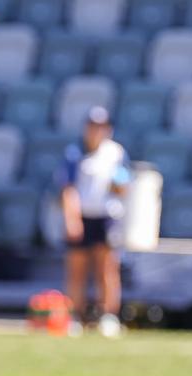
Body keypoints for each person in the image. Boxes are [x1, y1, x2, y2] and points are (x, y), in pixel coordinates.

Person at [58, 107, 130, 339]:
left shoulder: (116, 153)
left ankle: (108, 315)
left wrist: (120, 185)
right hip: (83, 215)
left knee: (107, 268)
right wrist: (72, 219)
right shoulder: (74, 152)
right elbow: (68, 189)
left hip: (106, 216)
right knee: (77, 269)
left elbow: (123, 186)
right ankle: (75, 315)